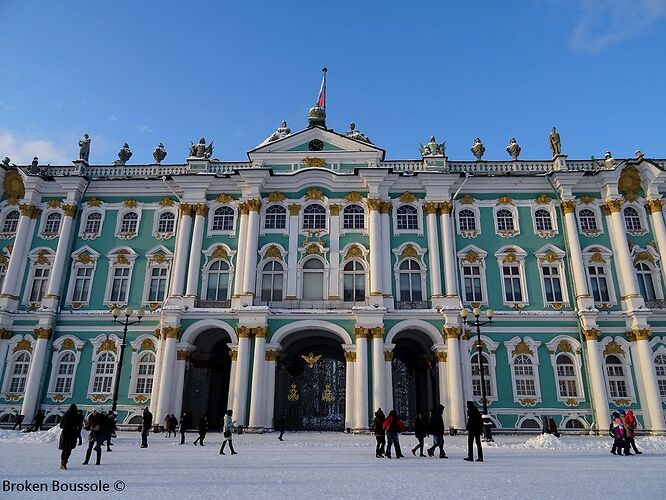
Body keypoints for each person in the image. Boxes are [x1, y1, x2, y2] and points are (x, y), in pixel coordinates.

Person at [58, 404, 79, 470]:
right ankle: (65, 462)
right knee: (69, 449)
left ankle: (62, 462)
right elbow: (79, 425)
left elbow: (61, 425)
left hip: (65, 433)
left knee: (64, 449)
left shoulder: (65, 415)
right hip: (72, 434)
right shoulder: (76, 416)